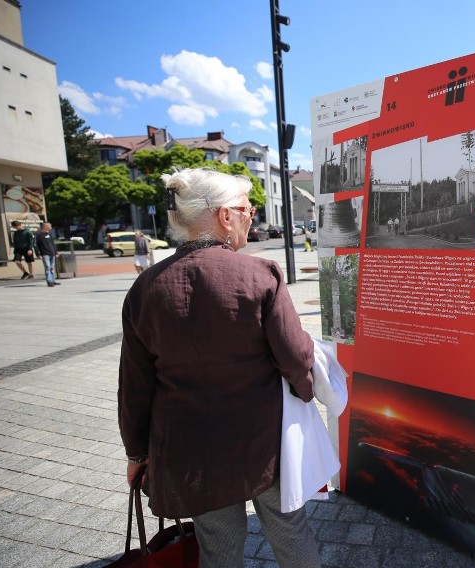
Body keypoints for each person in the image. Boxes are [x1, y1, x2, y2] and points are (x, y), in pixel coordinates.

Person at [118, 167, 321, 568]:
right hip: (263, 440)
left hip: (188, 448)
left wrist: (137, 453)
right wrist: (307, 391)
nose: (252, 216)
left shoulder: (145, 288)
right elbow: (297, 358)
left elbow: (135, 385)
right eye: (247, 209)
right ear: (225, 217)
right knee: (290, 531)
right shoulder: (259, 274)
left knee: (218, 546)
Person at [34, 221, 60, 287]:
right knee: (47, 267)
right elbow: (35, 245)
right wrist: (38, 254)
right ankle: (49, 281)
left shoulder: (49, 233)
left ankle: (53, 280)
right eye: (49, 226)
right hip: (45, 254)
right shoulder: (38, 234)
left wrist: (56, 252)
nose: (51, 227)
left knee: (52, 267)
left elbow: (52, 244)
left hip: (52, 253)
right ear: (45, 226)